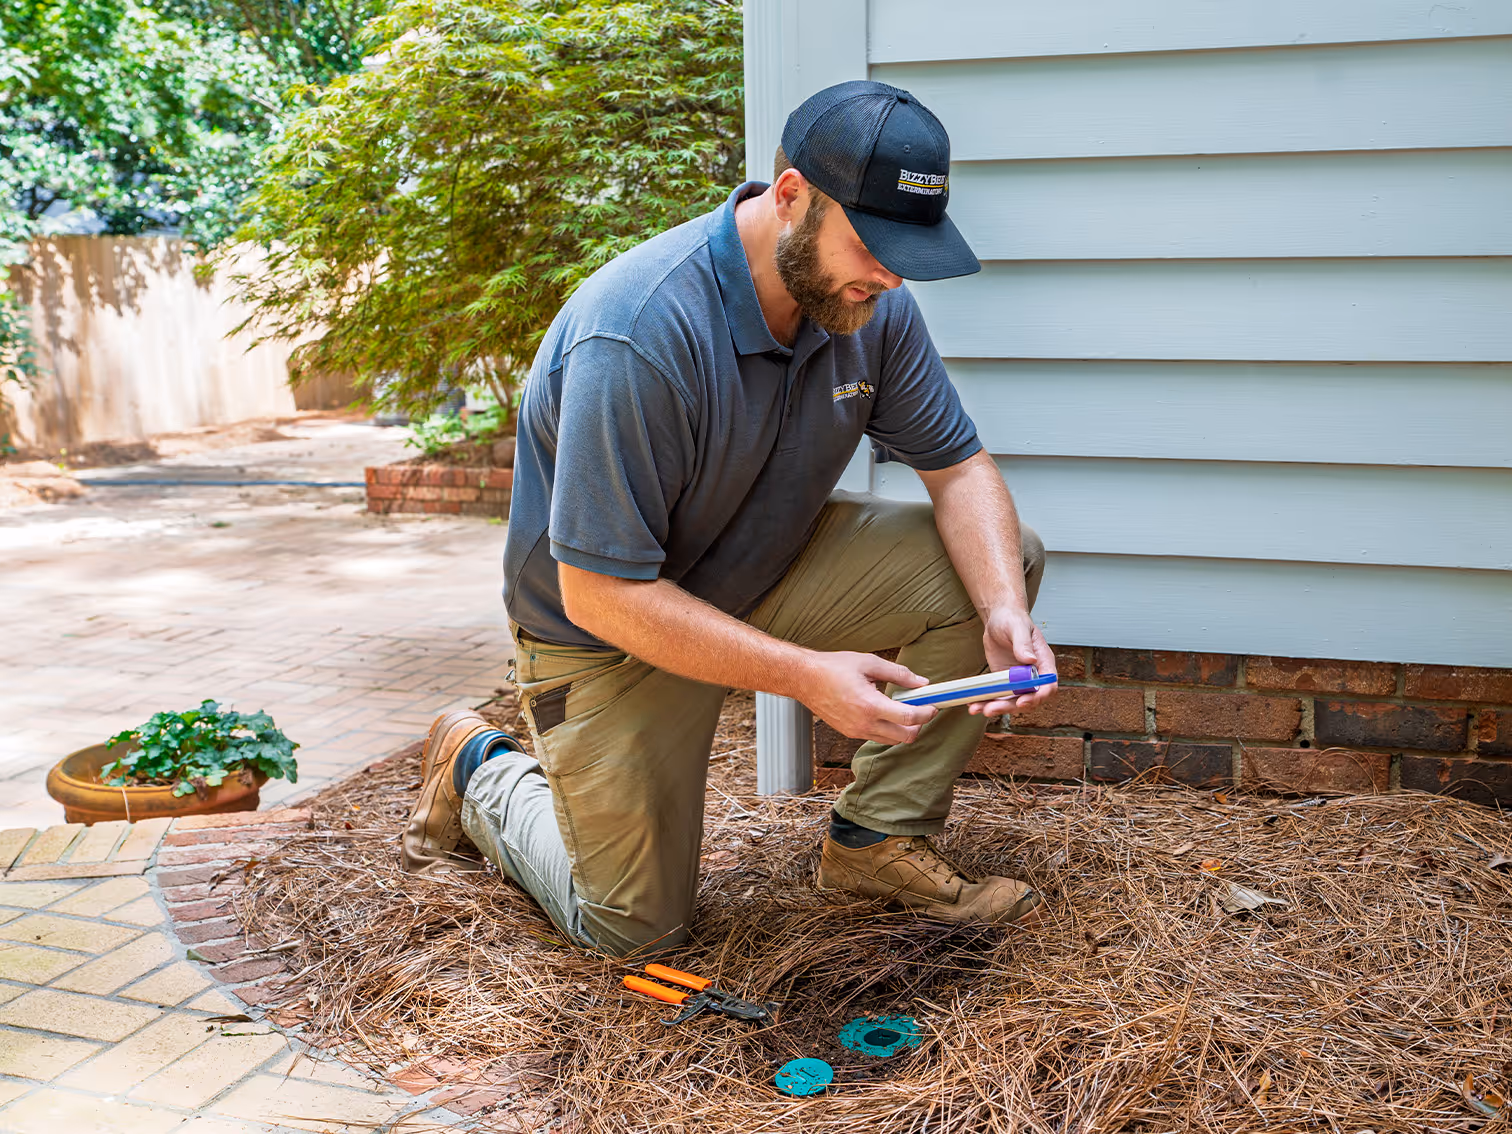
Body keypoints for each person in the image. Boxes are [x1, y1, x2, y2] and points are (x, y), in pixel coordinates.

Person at [399, 80, 1058, 957]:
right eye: (873, 246)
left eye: (907, 252)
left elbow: (960, 468)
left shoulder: (868, 305)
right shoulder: (636, 334)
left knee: (1000, 560)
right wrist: (804, 675)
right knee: (634, 931)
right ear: (790, 196)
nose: (892, 276)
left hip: (761, 567)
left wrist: (1002, 608)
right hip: (609, 627)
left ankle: (875, 842)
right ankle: (479, 768)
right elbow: (599, 595)